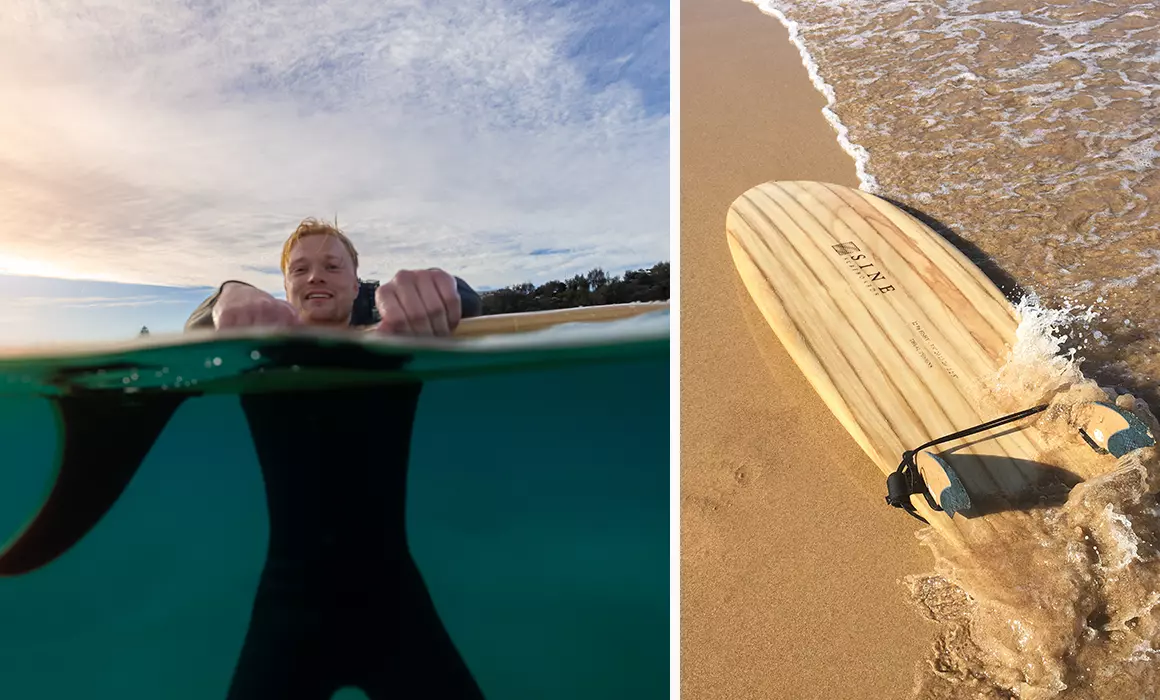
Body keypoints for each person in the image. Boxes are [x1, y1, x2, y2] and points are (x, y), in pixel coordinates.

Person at [184, 218, 482, 335]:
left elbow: (469, 301)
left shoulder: (388, 323)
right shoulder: (261, 341)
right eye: (300, 269)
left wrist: (438, 285)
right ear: (286, 288)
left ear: (356, 285)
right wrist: (227, 293)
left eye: (332, 266)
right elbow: (195, 330)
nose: (315, 277)